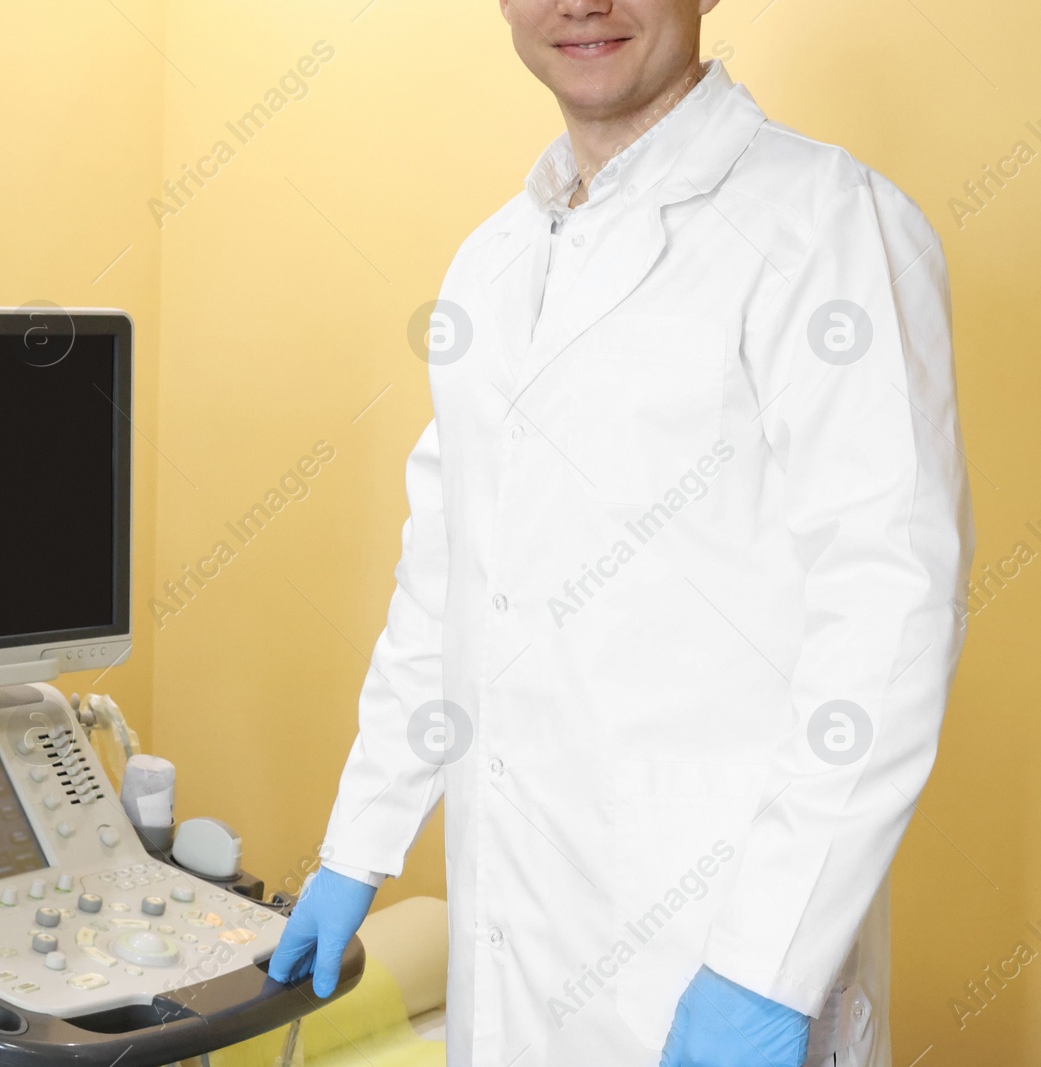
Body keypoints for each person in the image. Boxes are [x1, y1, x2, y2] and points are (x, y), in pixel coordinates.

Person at [267, 1, 974, 1065]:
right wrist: (360, 839)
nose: (580, 2)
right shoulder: (493, 264)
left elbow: (891, 607)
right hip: (513, 938)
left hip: (715, 945)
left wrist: (763, 967)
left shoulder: (827, 222)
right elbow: (444, 580)